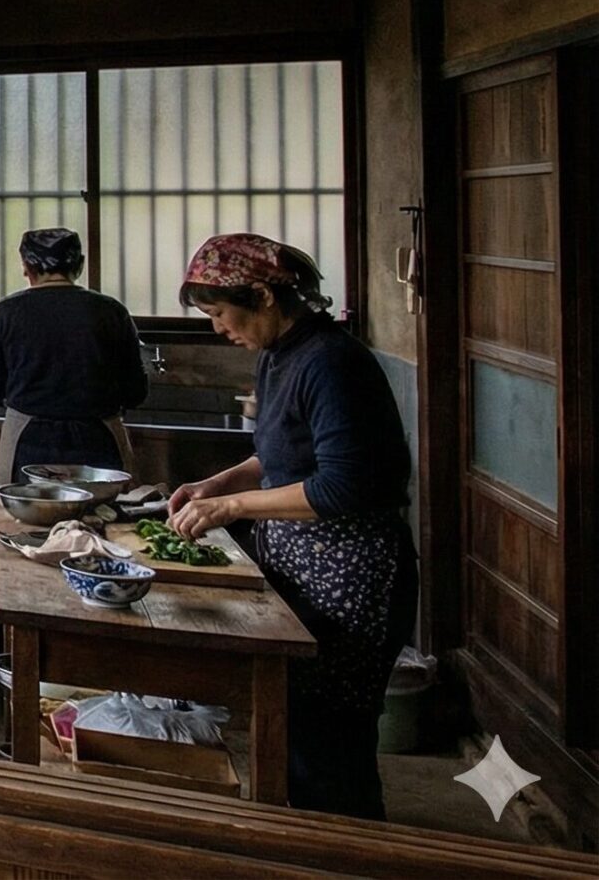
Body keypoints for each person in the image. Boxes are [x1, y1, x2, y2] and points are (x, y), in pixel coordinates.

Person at [168, 233, 416, 819]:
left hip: (350, 576)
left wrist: (231, 509)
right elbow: (281, 452)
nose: (217, 328)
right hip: (303, 568)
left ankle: (349, 848)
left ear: (263, 295)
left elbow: (341, 486)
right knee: (299, 732)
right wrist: (219, 484)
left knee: (331, 743)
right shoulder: (280, 354)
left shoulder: (332, 362)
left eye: (220, 313)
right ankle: (307, 840)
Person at [0, 228, 149, 483]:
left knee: (31, 508)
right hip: (99, 439)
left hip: (29, 439)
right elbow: (136, 391)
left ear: (27, 267)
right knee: (105, 507)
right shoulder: (111, 311)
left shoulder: (6, 312)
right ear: (79, 265)